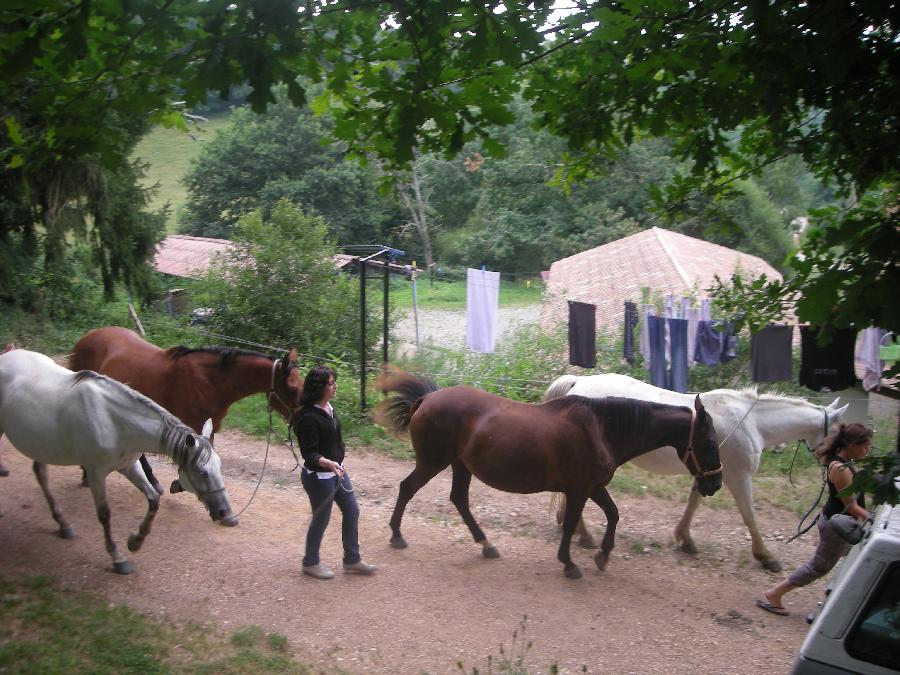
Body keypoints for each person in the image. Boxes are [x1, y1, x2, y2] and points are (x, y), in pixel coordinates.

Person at [757, 422, 873, 616]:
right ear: (852, 444)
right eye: (865, 445)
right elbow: (851, 506)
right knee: (819, 566)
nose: (867, 449)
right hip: (837, 527)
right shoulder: (840, 469)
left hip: (845, 524)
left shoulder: (847, 463)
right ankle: (774, 594)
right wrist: (874, 521)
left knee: (856, 559)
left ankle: (840, 599)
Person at [293, 364, 377, 579]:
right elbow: (309, 454)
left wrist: (337, 461)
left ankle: (352, 559)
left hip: (337, 472)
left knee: (352, 511)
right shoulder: (307, 417)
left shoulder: (329, 408)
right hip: (319, 478)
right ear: (319, 387)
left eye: (334, 382)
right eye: (331, 384)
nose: (335, 387)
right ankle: (310, 563)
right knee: (321, 518)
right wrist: (327, 462)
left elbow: (334, 439)